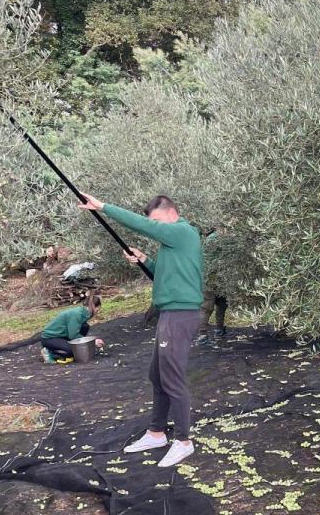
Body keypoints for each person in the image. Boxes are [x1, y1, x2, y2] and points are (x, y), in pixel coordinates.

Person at [77, 193, 203, 467]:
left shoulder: (183, 231)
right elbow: (165, 275)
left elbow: (146, 227)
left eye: (156, 222)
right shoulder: (172, 244)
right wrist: (146, 260)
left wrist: (103, 206)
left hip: (180, 315)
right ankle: (157, 433)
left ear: (171, 213)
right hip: (170, 313)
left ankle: (183, 441)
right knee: (157, 375)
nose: (155, 227)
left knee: (173, 377)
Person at [40, 294, 104, 363]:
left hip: (62, 335)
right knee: (74, 352)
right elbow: (73, 335)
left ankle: (68, 346)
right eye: (98, 309)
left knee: (85, 326)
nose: (98, 311)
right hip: (50, 338)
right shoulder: (76, 314)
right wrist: (92, 342)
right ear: (94, 307)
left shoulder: (84, 313)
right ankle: (49, 352)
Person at [197, 229, 227, 345]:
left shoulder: (212, 238)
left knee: (220, 304)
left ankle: (218, 330)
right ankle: (203, 335)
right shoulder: (217, 238)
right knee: (208, 306)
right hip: (212, 277)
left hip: (213, 277)